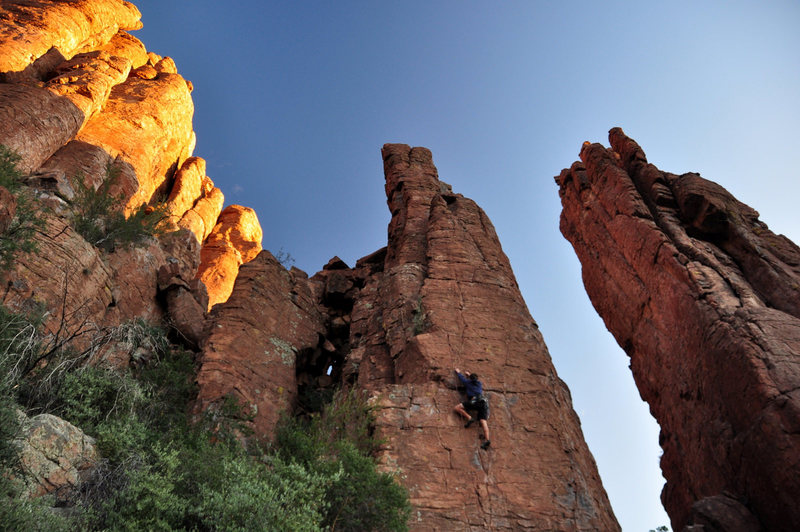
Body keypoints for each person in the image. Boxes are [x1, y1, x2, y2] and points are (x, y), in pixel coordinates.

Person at [453, 367, 491, 449]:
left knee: (457, 408)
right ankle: (487, 440)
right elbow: (474, 379)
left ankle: (469, 418)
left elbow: (462, 379)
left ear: (470, 379)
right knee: (483, 421)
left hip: (475, 401)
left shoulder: (468, 383)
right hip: (483, 402)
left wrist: (458, 372)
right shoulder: (479, 383)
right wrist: (469, 375)